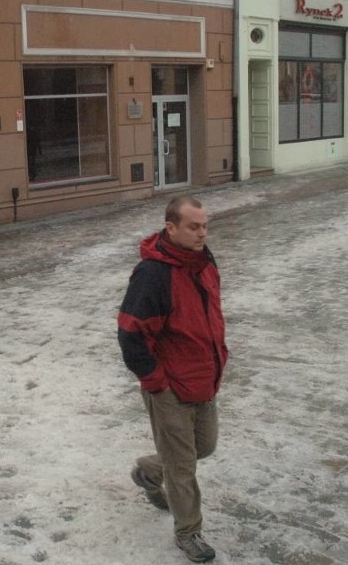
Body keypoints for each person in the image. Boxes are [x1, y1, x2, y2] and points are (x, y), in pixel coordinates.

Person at [117, 195, 228, 563]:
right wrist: (155, 382)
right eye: (194, 226)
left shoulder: (203, 262)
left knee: (204, 447)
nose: (202, 233)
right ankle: (189, 533)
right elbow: (131, 334)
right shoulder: (153, 274)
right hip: (169, 387)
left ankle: (149, 471)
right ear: (171, 227)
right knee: (182, 468)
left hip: (203, 379)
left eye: (205, 226)